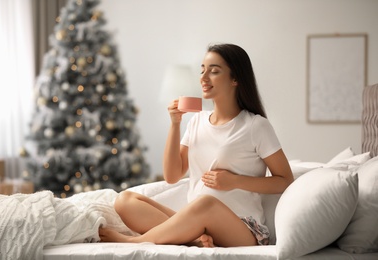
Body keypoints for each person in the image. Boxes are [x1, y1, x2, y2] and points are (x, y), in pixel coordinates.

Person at [99, 43, 294, 247]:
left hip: (243, 229)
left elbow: (284, 180)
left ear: (235, 79)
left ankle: (136, 241)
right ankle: (195, 240)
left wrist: (234, 181)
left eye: (214, 71)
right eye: (202, 70)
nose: (203, 78)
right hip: (197, 219)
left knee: (205, 204)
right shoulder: (197, 121)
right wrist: (175, 124)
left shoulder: (256, 126)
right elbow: (172, 175)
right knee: (125, 200)